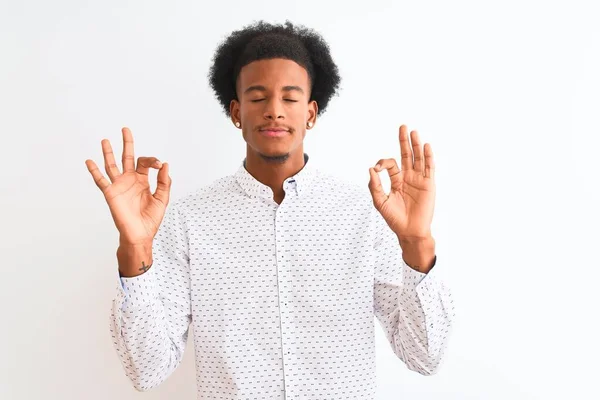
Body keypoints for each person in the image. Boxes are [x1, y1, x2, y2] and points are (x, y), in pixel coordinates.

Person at [85, 20, 454, 400]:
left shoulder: (364, 215)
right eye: (258, 97)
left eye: (290, 98)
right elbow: (147, 369)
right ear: (236, 112)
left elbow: (424, 357)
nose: (274, 111)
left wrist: (416, 243)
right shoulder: (187, 221)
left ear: (311, 113)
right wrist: (135, 247)